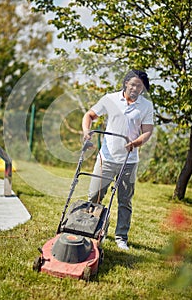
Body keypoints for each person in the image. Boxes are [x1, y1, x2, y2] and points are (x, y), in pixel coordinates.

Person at [82, 70, 154, 250]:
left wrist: (135, 143)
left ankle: (121, 237)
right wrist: (86, 132)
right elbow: (89, 115)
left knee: (124, 201)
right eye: (133, 84)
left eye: (140, 86)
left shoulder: (146, 106)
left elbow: (147, 131)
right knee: (94, 196)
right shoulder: (110, 99)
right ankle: (94, 231)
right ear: (125, 83)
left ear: (143, 89)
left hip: (129, 161)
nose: (135, 88)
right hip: (106, 158)